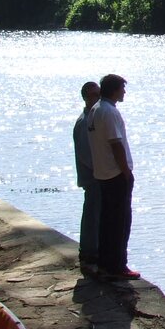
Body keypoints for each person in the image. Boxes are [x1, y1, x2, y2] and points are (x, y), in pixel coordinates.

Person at [87, 74, 139, 280]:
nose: (124, 92)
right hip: (115, 174)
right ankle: (117, 266)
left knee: (107, 220)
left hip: (102, 173)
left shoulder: (95, 109)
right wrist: (125, 171)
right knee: (120, 222)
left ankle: (105, 263)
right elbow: (115, 144)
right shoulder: (108, 112)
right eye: (122, 88)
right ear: (115, 90)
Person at [73, 81, 102, 274]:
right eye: (93, 95)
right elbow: (86, 154)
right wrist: (101, 171)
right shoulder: (84, 122)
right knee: (92, 215)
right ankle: (89, 255)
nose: (97, 98)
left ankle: (93, 253)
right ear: (85, 98)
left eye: (99, 94)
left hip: (96, 176)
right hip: (93, 178)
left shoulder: (92, 119)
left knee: (95, 215)